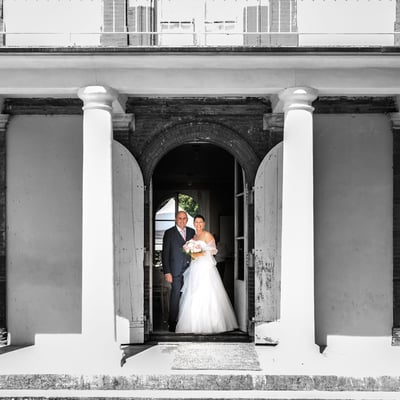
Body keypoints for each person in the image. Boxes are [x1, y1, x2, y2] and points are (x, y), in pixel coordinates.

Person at [175, 214, 238, 334]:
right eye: (196, 222)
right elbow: (191, 254)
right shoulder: (194, 236)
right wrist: (192, 252)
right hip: (195, 267)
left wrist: (200, 251)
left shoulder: (207, 235)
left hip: (205, 268)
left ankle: (211, 324)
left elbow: (214, 251)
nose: (198, 224)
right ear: (194, 223)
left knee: (207, 292)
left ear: (204, 223)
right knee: (194, 292)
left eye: (200, 222)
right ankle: (193, 324)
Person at [162, 210, 195, 332]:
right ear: (176, 219)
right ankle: (172, 322)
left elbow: (194, 251)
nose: (182, 220)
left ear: (187, 220)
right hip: (174, 271)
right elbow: (165, 254)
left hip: (190, 269)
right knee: (176, 295)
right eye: (180, 218)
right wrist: (167, 272)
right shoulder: (169, 233)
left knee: (188, 295)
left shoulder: (191, 232)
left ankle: (186, 321)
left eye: (184, 218)